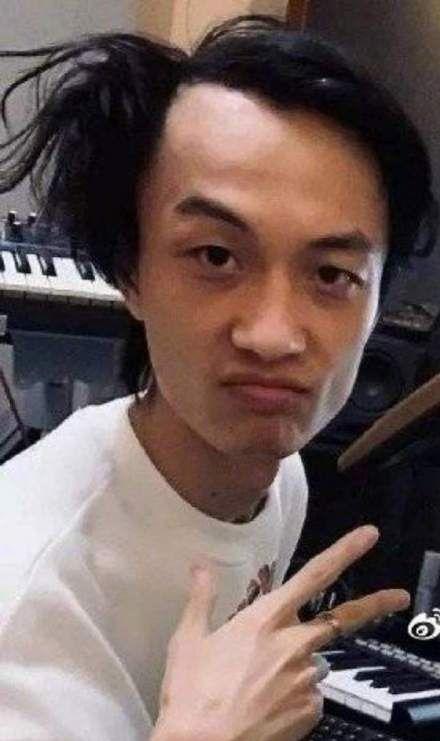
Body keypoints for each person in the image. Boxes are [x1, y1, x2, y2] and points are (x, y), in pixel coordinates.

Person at [0, 13, 437, 741]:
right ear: (130, 271)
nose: (273, 335)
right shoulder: (24, 606)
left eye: (332, 274)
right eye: (215, 256)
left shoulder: (278, 476)